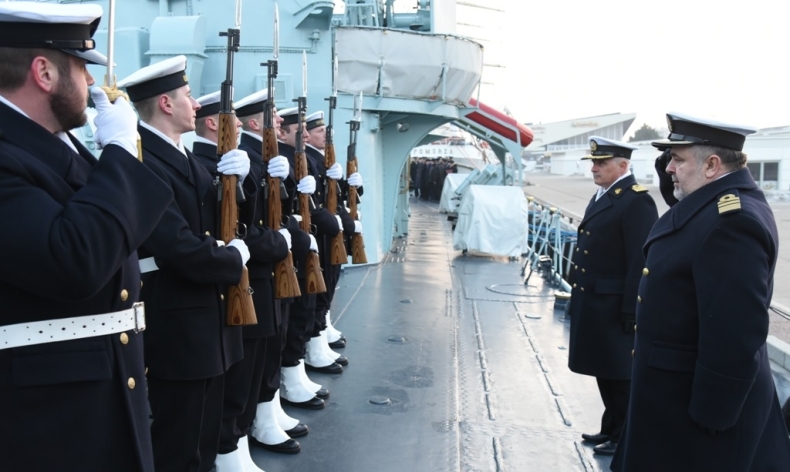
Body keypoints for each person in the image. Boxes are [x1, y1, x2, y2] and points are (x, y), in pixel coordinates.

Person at [0, 2, 174, 471]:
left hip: (96, 391)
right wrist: (118, 151)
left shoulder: (55, 141)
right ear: (44, 72)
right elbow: (74, 259)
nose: (93, 84)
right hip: (46, 417)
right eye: (82, 68)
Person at [612, 113, 790, 471]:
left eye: (677, 160)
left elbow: (734, 335)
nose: (669, 170)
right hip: (669, 397)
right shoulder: (713, 201)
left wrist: (711, 420)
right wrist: (677, 157)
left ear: (711, 165)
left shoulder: (733, 222)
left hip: (693, 416)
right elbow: (679, 203)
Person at [117, 55, 254, 472]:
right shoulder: (144, 162)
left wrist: (241, 183)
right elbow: (176, 246)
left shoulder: (189, 160)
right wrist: (233, 259)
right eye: (188, 96)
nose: (196, 105)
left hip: (208, 323)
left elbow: (224, 222)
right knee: (178, 444)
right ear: (165, 103)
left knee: (204, 439)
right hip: (178, 325)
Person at [191, 89, 292, 470]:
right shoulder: (207, 164)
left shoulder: (234, 164)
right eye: (231, 119)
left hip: (254, 274)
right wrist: (277, 242)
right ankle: (229, 444)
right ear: (215, 125)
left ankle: (243, 433)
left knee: (257, 360)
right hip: (236, 276)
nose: (279, 123)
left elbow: (254, 217)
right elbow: (237, 230)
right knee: (237, 373)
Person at [234, 89, 315, 455]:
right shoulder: (244, 158)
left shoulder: (268, 156)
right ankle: (251, 425)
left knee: (275, 340)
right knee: (259, 351)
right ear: (254, 123)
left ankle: (269, 409)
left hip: (275, 259)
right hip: (257, 266)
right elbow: (247, 219)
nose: (280, 121)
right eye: (272, 116)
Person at [568, 136, 658, 456]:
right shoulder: (603, 194)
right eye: (593, 162)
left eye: (601, 163)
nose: (594, 168)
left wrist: (631, 309)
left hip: (614, 305)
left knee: (620, 375)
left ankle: (622, 436)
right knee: (603, 369)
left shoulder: (636, 200)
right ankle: (610, 427)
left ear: (623, 165)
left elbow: (640, 259)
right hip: (594, 300)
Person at [303, 109, 358, 365]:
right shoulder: (310, 160)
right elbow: (321, 203)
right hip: (321, 234)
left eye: (325, 130)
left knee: (329, 284)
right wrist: (343, 223)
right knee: (321, 286)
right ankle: (315, 343)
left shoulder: (323, 160)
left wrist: (352, 183)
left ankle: (321, 331)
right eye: (318, 131)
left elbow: (339, 196)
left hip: (330, 232)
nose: (324, 135)